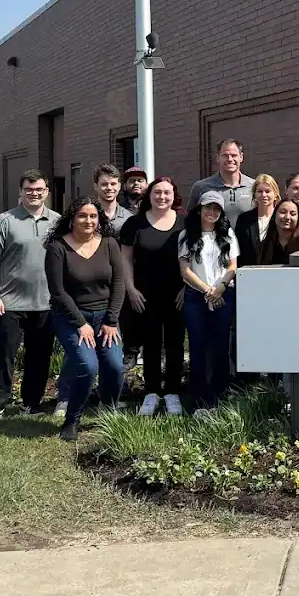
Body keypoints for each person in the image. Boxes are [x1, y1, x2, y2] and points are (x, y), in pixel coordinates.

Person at [44, 197, 126, 441]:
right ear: (71, 219)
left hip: (105, 317)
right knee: (87, 366)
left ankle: (108, 411)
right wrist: (81, 324)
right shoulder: (58, 248)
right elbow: (58, 292)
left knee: (115, 366)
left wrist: (111, 320)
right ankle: (72, 420)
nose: (88, 221)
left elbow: (119, 283)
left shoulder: (110, 244)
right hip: (70, 317)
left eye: (93, 216)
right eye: (82, 215)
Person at [0, 169, 60, 419]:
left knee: (39, 357)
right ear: (20, 192)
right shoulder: (6, 220)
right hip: (9, 302)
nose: (34, 194)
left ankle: (31, 404)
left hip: (45, 302)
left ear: (46, 192)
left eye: (39, 189)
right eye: (29, 189)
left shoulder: (58, 222)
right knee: (3, 355)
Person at [119, 177, 186, 417]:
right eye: (157, 192)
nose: (162, 197)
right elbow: (125, 259)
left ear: (173, 196)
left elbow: (192, 260)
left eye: (167, 193)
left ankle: (173, 392)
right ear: (150, 195)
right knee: (151, 344)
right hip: (144, 294)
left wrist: (186, 288)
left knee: (175, 344)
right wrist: (130, 288)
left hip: (177, 294)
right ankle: (152, 392)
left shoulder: (184, 224)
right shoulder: (134, 224)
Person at [179, 190, 238, 412]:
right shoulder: (186, 236)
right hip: (196, 297)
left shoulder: (228, 235)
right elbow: (185, 271)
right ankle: (199, 400)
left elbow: (232, 266)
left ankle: (219, 397)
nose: (211, 212)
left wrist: (220, 289)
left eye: (216, 209)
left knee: (221, 345)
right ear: (199, 210)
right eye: (208, 208)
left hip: (224, 294)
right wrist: (208, 291)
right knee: (198, 347)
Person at [187, 138, 254, 226]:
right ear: (218, 158)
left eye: (234, 155)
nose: (230, 159)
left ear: (241, 157)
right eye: (225, 155)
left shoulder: (254, 186)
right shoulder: (201, 187)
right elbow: (190, 219)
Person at [234, 174, 282, 268]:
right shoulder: (244, 219)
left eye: (268, 191)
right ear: (254, 195)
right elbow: (238, 249)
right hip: (248, 272)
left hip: (276, 271)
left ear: (275, 194)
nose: (264, 195)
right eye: (259, 191)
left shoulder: (281, 218)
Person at [256, 198, 299, 264]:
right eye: (282, 212)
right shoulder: (264, 245)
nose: (287, 217)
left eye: (293, 214)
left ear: (298, 218)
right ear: (274, 216)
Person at [91, 164, 134, 237]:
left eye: (113, 184)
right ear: (95, 186)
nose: (109, 188)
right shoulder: (87, 216)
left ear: (119, 186)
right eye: (104, 184)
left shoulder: (129, 218)